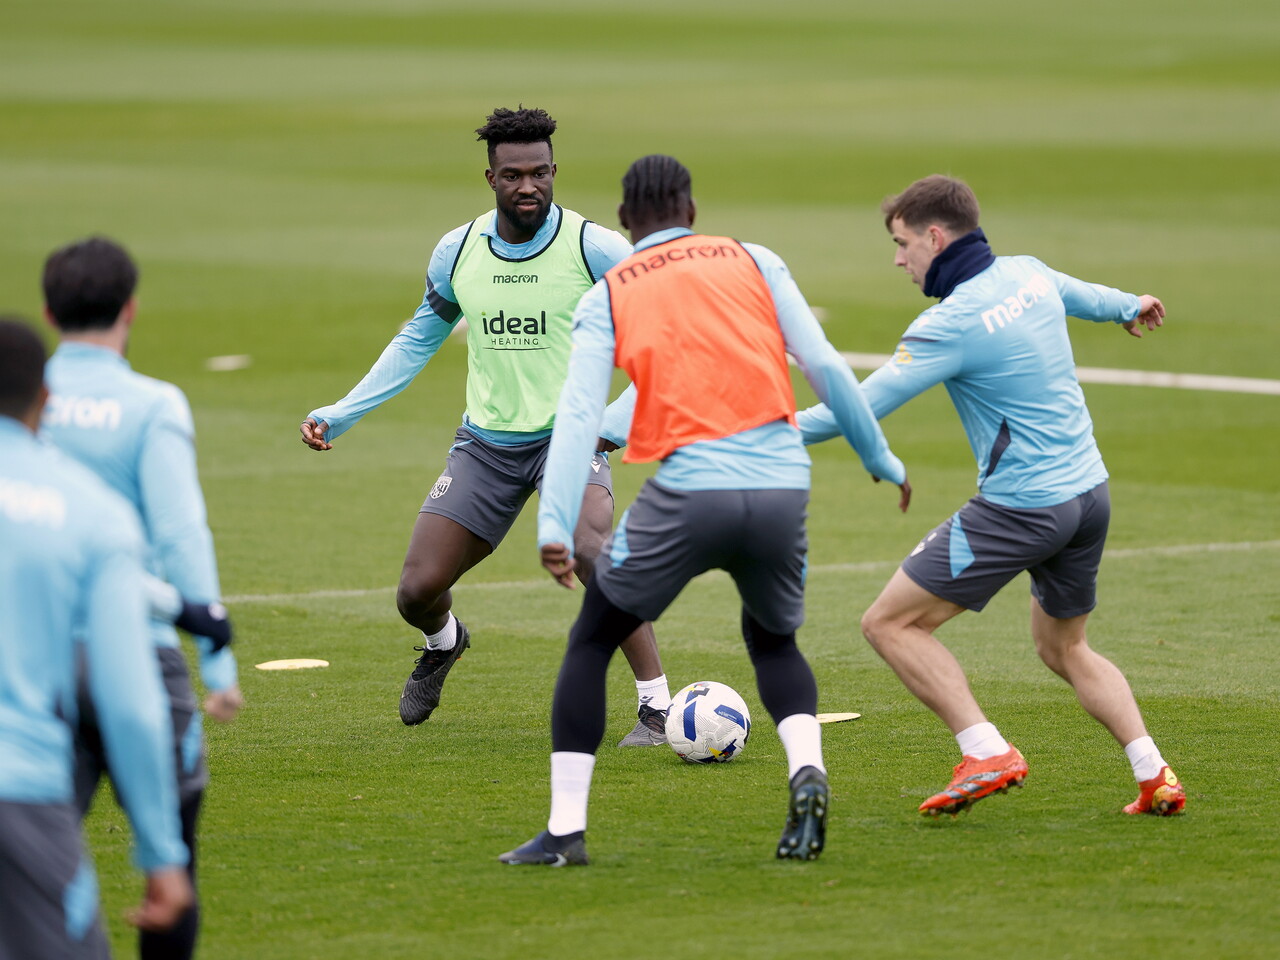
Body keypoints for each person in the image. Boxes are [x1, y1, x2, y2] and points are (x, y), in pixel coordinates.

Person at [499, 155, 910, 867]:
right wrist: (881, 459)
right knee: (775, 643)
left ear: (627, 223)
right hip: (783, 486)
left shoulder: (611, 292)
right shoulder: (755, 258)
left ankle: (565, 830)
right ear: (690, 209)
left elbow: (577, 420)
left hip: (689, 494)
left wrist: (552, 524)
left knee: (594, 641)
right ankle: (806, 774)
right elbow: (825, 366)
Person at [798, 174, 1182, 818]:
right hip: (1089, 496)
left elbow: (855, 412)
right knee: (1065, 647)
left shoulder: (947, 324)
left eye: (901, 244)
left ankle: (985, 749)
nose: (898, 260)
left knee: (889, 623)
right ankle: (1154, 773)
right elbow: (1085, 296)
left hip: (1022, 508)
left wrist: (756, 430)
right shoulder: (1027, 273)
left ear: (935, 236)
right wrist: (1130, 305)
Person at [300, 107, 672, 745]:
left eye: (541, 173)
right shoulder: (459, 250)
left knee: (591, 552)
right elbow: (419, 336)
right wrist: (342, 410)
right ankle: (444, 643)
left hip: (569, 439)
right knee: (416, 590)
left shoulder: (596, 248)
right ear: (490, 178)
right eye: (513, 175)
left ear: (555, 172)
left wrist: (610, 422)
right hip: (486, 447)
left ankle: (656, 707)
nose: (529, 187)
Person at [40, 237, 243, 960]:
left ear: (47, 312)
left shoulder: (25, 398)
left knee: (35, 853)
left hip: (38, 658)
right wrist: (217, 661)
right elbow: (182, 533)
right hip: (139, 651)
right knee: (171, 858)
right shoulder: (153, 404)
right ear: (131, 309)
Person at [0, 318, 193, 960]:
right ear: (45, 402)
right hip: (19, 790)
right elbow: (132, 704)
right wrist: (162, 855)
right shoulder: (88, 511)